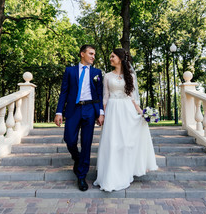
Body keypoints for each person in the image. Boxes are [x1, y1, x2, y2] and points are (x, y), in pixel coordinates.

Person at [93, 48, 158, 192]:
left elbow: (133, 98)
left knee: (125, 143)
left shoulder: (131, 77)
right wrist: (101, 114)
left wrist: (142, 113)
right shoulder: (107, 76)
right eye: (110, 56)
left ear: (121, 59)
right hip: (112, 110)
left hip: (127, 110)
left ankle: (125, 171)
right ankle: (110, 175)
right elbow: (105, 96)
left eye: (113, 56)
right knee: (112, 142)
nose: (110, 59)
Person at [54, 44, 104, 192]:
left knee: (87, 143)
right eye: (91, 53)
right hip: (73, 109)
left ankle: (82, 176)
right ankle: (77, 158)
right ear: (82, 54)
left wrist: (100, 112)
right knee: (69, 139)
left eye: (94, 54)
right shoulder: (69, 71)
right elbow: (64, 92)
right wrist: (59, 112)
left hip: (89, 109)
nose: (93, 57)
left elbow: (100, 94)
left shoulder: (97, 72)